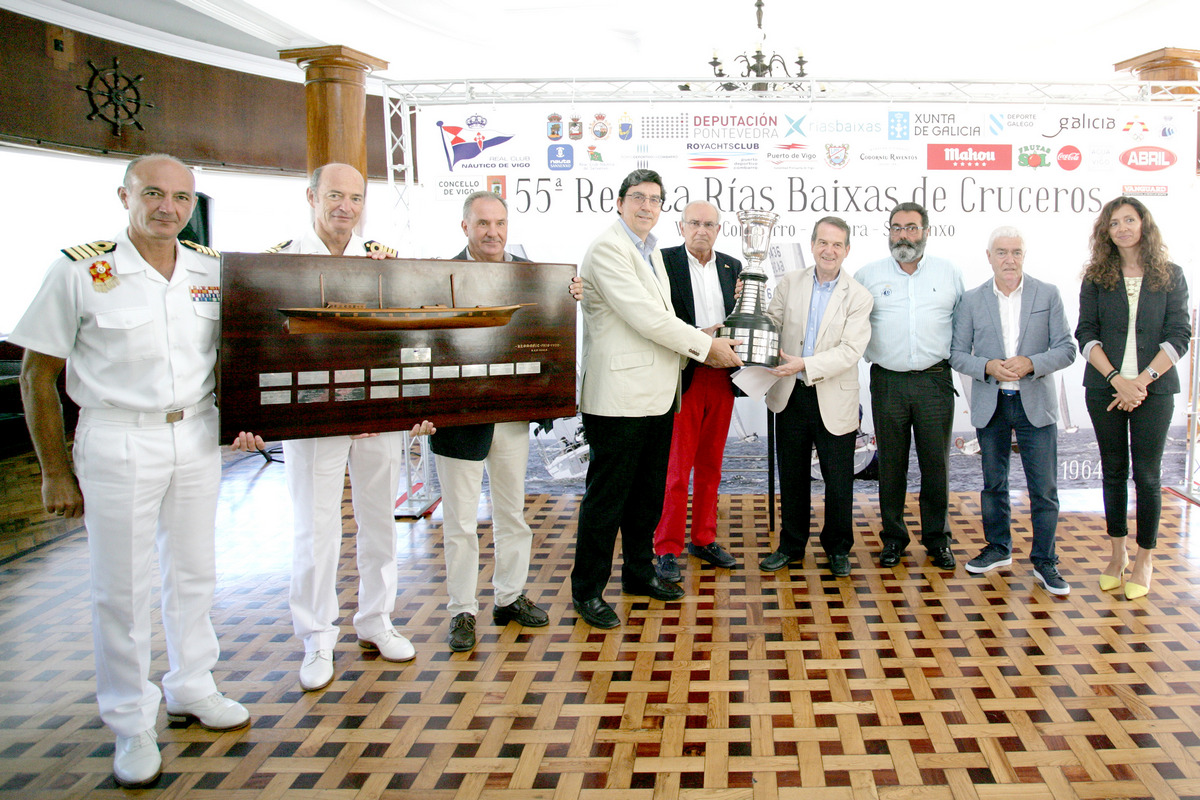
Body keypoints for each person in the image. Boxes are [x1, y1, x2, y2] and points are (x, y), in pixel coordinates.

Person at [11, 154, 251, 788]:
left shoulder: (209, 269)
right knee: (121, 589)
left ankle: (192, 684)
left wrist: (246, 419)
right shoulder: (80, 270)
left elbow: (236, 356)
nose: (167, 207)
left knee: (194, 573)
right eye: (153, 193)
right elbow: (36, 375)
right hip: (117, 437)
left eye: (180, 197)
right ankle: (130, 720)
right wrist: (54, 471)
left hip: (195, 433)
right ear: (125, 197)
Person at [266, 163, 433, 692]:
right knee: (315, 528)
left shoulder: (381, 261)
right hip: (314, 416)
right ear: (311, 196)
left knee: (380, 520)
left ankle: (376, 620)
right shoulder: (278, 261)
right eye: (335, 195)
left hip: (376, 415)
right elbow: (268, 343)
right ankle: (317, 635)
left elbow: (400, 337)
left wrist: (403, 404)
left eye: (356, 198)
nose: (346, 207)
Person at [571, 169, 742, 628]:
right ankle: (587, 591)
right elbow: (647, 318)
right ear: (619, 203)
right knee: (606, 500)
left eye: (654, 199)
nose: (647, 206)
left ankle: (639, 573)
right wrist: (706, 347)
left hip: (660, 394)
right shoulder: (608, 249)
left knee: (646, 496)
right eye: (638, 197)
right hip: (619, 397)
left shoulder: (650, 252)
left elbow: (664, 317)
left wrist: (706, 334)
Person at [430, 191, 550, 653]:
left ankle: (510, 597)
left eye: (500, 223)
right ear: (465, 227)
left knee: (512, 513)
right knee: (460, 521)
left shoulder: (530, 275)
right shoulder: (440, 277)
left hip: (511, 415)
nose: (492, 232)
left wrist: (569, 295)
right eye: (483, 223)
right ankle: (462, 609)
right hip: (458, 418)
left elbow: (547, 329)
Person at [950, 227, 1076, 595]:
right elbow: (957, 354)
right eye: (1002, 252)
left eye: (1016, 252)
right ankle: (998, 548)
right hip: (992, 404)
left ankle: (1045, 561)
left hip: (1036, 405)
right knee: (994, 484)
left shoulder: (1048, 294)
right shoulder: (971, 300)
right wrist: (988, 366)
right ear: (989, 256)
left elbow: (1067, 349)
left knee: (1044, 489)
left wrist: (1032, 363)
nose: (1009, 259)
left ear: (1024, 255)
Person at [1076, 197, 1190, 599]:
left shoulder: (1171, 275)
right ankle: (1117, 554)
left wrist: (1140, 382)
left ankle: (1145, 559)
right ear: (1105, 232)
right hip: (1104, 389)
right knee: (1112, 471)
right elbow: (1085, 334)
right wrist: (1116, 379)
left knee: (1147, 475)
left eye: (1129, 220)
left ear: (1144, 223)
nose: (1122, 228)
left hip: (1153, 391)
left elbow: (1180, 335)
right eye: (1114, 223)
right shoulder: (1095, 277)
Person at [761, 217, 873, 577]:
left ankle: (838, 548)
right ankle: (791, 546)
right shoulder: (789, 282)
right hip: (789, 394)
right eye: (823, 242)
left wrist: (805, 364)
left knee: (838, 481)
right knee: (792, 477)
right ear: (812, 245)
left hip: (833, 397)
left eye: (837, 244)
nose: (829, 250)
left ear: (847, 250)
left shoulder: (859, 296)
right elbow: (771, 324)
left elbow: (850, 351)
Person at [855, 203, 963, 570]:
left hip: (935, 380)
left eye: (912, 228)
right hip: (888, 381)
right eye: (897, 228)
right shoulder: (868, 275)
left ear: (926, 232)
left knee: (936, 466)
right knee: (891, 465)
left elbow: (964, 326)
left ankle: (937, 540)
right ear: (889, 232)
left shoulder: (949, 273)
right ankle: (893, 539)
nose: (904, 235)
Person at [653, 201, 743, 583]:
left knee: (710, 466)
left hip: (722, 376)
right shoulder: (662, 262)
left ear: (719, 230)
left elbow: (741, 317)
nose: (701, 230)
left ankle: (703, 538)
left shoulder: (734, 267)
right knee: (676, 469)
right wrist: (699, 337)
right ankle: (667, 547)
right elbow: (657, 318)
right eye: (694, 223)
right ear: (681, 226)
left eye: (709, 224)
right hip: (683, 374)